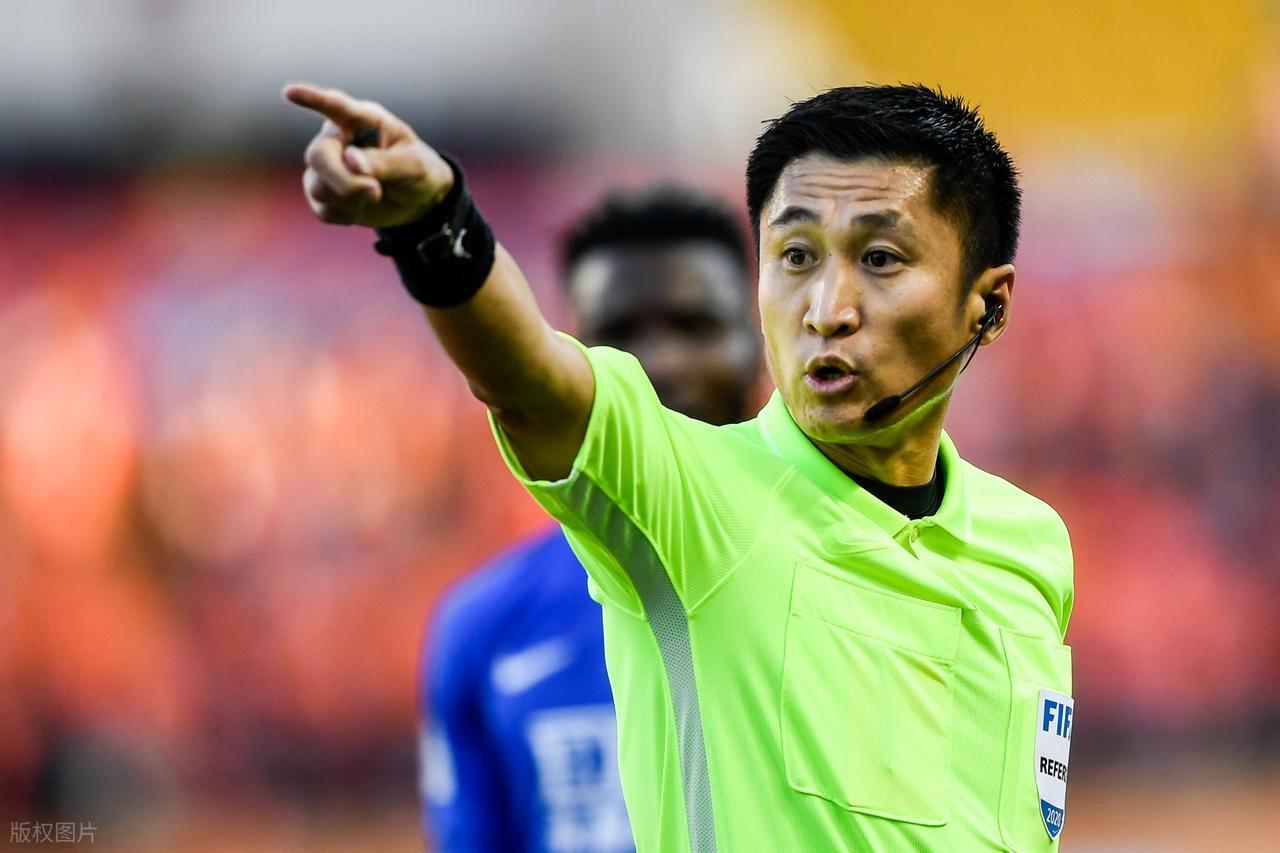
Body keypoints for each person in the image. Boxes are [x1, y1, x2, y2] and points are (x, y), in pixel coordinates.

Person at [286, 82, 1075, 852]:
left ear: (987, 305)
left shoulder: (1032, 546)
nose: (827, 308)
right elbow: (531, 384)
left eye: (880, 257)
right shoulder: (692, 504)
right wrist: (433, 222)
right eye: (796, 255)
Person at [420, 187, 759, 852]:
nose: (658, 364)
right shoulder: (486, 626)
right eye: (618, 335)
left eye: (695, 326)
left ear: (759, 343)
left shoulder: (857, 577)